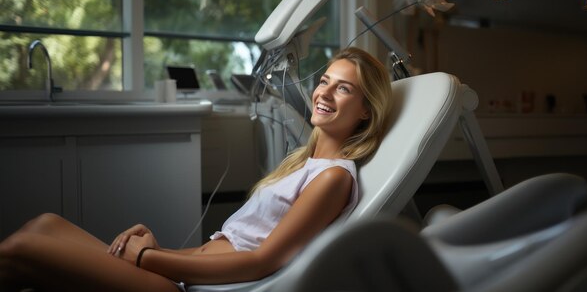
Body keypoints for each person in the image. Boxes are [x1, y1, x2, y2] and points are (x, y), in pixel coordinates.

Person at [0, 47, 392, 291]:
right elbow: (222, 246)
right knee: (46, 225)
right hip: (183, 272)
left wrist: (146, 259)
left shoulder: (333, 178)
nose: (323, 92)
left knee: (22, 250)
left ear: (365, 112)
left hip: (188, 287)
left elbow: (261, 261)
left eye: (344, 88)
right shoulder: (302, 166)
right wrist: (158, 249)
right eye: (325, 81)